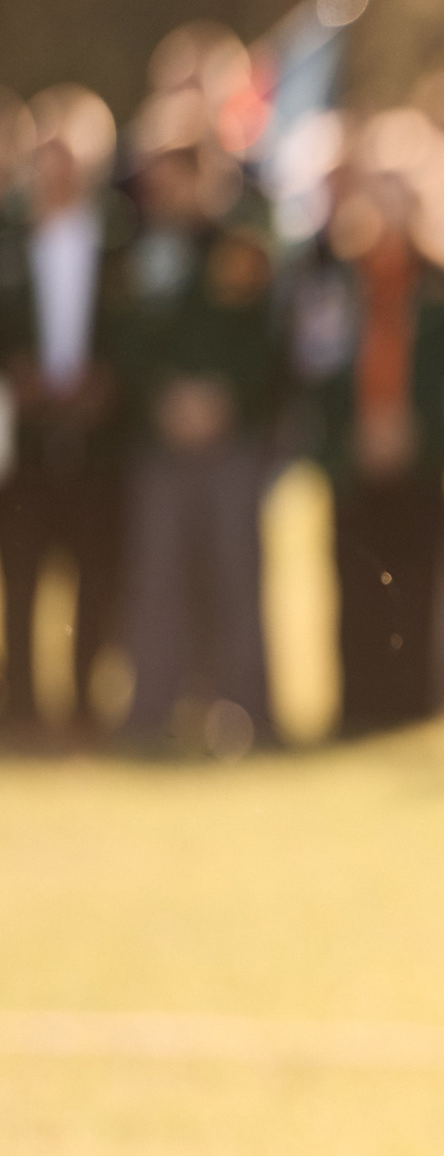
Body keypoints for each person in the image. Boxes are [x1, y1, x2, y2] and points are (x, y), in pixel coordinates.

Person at [288, 112, 444, 735]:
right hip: (353, 450)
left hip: (421, 453)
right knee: (354, 576)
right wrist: (357, 428)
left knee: (421, 580)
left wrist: (412, 426)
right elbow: (317, 363)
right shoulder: (335, 271)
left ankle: (416, 705)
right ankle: (358, 704)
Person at [110, 96, 281, 751]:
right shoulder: (138, 251)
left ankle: (250, 713)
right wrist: (163, 395)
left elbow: (264, 346)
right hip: (159, 439)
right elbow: (126, 337)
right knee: (157, 579)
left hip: (230, 441)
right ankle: (151, 713)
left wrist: (221, 399)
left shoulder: (243, 250)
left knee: (235, 575)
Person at [0, 87, 132, 739]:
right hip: (23, 438)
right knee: (20, 576)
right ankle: (19, 707)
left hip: (96, 438)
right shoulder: (8, 235)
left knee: (95, 574)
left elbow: (140, 333)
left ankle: (87, 706)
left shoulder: (119, 240)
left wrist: (109, 383)